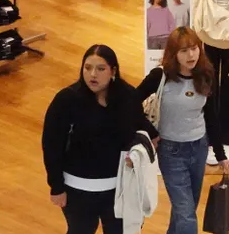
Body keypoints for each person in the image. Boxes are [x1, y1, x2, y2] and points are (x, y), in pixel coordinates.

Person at [42, 45, 158, 234]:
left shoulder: (127, 96)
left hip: (118, 188)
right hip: (77, 190)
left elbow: (144, 130)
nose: (92, 74)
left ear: (113, 71)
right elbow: (51, 145)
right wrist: (56, 186)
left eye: (100, 69)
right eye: (87, 68)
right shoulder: (66, 100)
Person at [136, 28, 229, 234]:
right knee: (187, 215)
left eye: (194, 48)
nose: (191, 55)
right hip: (171, 152)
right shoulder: (159, 76)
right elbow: (131, 103)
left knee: (185, 210)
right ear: (174, 53)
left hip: (199, 148)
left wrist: (220, 153)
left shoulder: (206, 74)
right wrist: (150, 131)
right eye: (184, 50)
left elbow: (212, 115)